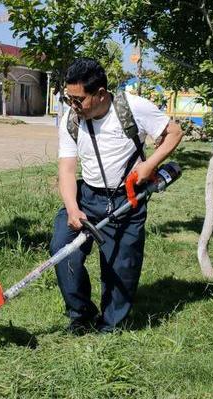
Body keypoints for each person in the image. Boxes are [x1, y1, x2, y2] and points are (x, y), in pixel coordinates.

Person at [50, 58, 183, 335]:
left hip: (127, 200)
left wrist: (148, 165)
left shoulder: (134, 108)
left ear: (100, 94)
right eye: (68, 98)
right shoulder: (71, 119)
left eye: (78, 99)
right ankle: (81, 313)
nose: (73, 106)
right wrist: (73, 209)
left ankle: (110, 326)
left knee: (120, 268)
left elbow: (174, 132)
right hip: (87, 196)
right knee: (63, 251)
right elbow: (66, 167)